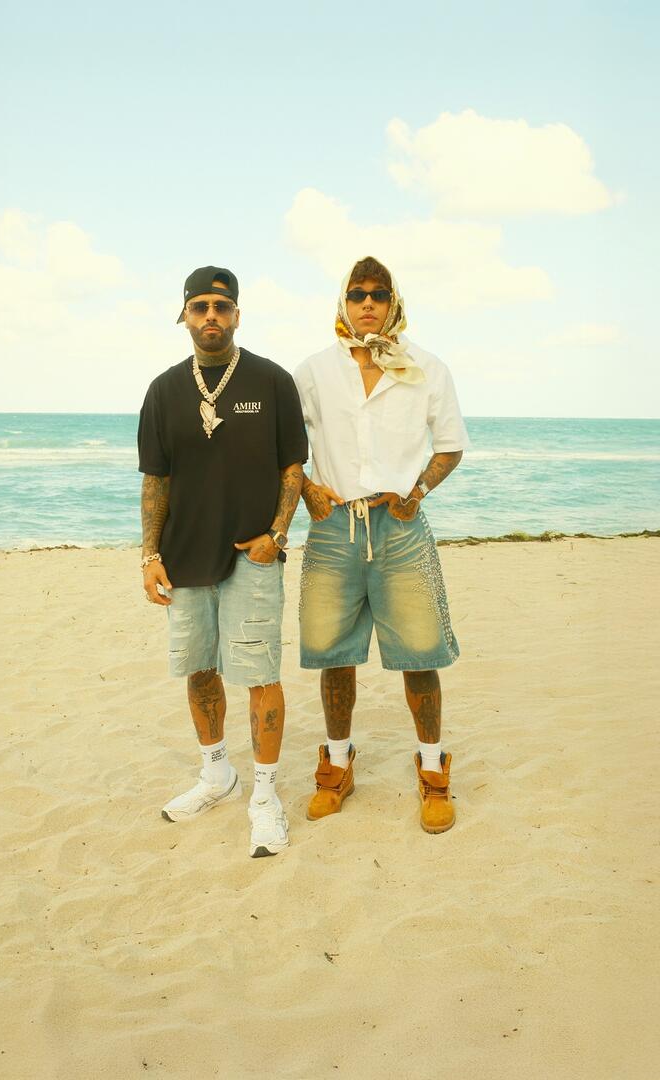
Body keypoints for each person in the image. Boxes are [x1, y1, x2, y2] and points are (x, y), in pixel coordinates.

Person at [294, 256, 469, 833]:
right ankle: (337, 766)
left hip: (400, 526)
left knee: (420, 654)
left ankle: (433, 770)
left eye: (378, 294)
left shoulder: (427, 367)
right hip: (333, 528)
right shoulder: (314, 371)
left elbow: (450, 444)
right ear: (343, 303)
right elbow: (285, 443)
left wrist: (418, 491)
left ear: (394, 302)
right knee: (333, 653)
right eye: (356, 294)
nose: (367, 303)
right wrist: (308, 490)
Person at [138, 265, 307, 857]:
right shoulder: (163, 390)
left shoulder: (273, 380)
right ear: (184, 315)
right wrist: (149, 555)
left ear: (237, 314)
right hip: (184, 559)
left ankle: (264, 794)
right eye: (200, 306)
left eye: (222, 306)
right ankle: (217, 775)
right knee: (199, 670)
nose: (211, 316)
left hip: (252, 557)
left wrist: (276, 535)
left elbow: (293, 467)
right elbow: (156, 480)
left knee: (260, 675)